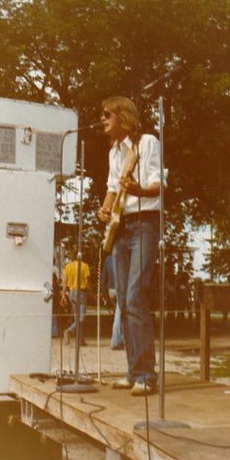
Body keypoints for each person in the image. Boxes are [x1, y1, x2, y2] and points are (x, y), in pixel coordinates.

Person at [98, 96, 164, 396]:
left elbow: (159, 184)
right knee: (123, 300)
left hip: (144, 222)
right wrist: (105, 208)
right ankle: (133, 370)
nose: (102, 119)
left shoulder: (147, 143)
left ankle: (147, 375)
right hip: (121, 227)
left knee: (136, 296)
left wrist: (140, 189)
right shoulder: (114, 152)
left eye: (107, 114)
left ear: (123, 116)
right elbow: (113, 187)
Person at [61, 247, 93, 346]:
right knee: (82, 317)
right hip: (81, 293)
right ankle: (69, 331)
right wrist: (92, 292)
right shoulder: (85, 266)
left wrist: (63, 295)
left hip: (71, 293)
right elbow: (87, 282)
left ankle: (80, 340)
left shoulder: (68, 267)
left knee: (77, 317)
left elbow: (64, 282)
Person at [101, 254, 124, 350]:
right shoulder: (123, 256)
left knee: (121, 314)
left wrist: (104, 293)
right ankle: (115, 341)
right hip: (120, 288)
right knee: (119, 315)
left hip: (111, 291)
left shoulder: (108, 258)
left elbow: (103, 277)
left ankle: (121, 340)